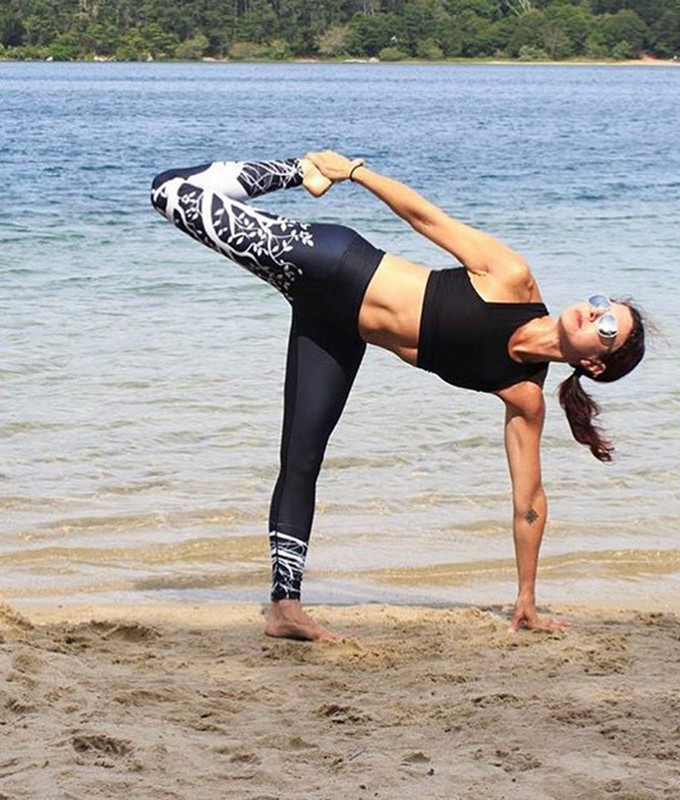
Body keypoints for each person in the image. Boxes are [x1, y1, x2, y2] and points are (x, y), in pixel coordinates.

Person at [150, 151, 645, 642]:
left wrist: (527, 598)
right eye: (601, 304)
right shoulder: (512, 279)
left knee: (301, 459)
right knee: (168, 190)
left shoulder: (522, 395)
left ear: (595, 365)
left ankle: (285, 609)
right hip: (332, 263)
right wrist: (354, 173)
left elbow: (529, 501)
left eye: (606, 327)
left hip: (337, 332)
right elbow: (425, 218)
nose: (592, 313)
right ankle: (299, 170)